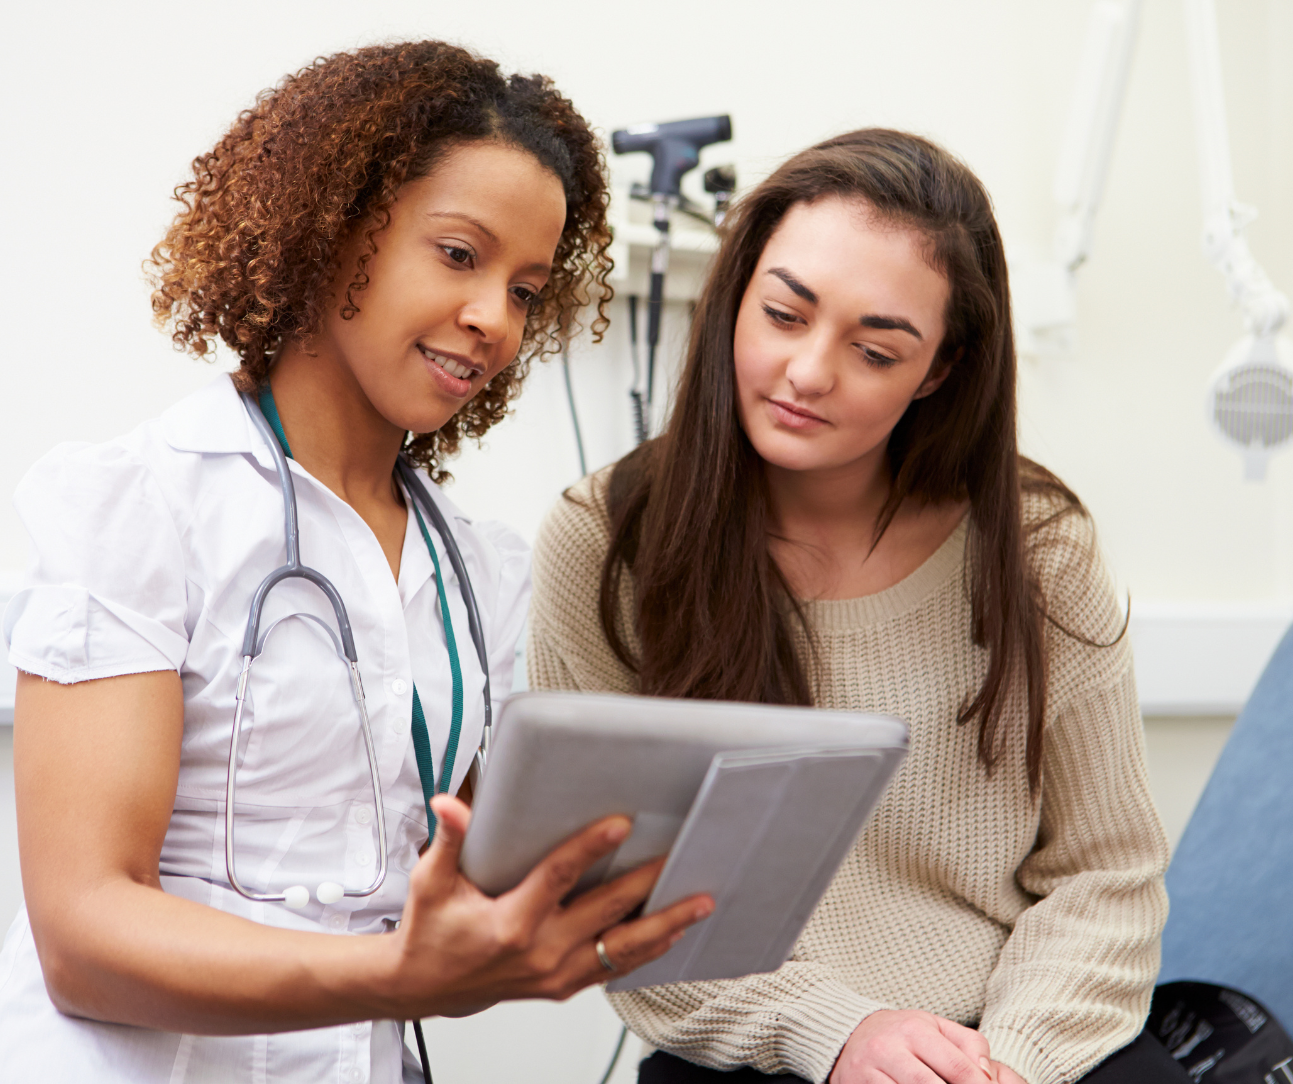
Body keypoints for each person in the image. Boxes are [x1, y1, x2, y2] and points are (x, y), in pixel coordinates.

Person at [0, 42, 710, 1083]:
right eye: (459, 256)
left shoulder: (482, 572)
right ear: (331, 228)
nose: (493, 321)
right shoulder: (137, 504)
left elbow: (469, 873)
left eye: (525, 288)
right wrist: (392, 973)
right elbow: (86, 938)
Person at [527, 129, 1180, 1084]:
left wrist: (1008, 1064)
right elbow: (619, 908)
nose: (807, 372)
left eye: (874, 350)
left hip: (1016, 1047)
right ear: (736, 294)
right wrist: (839, 1033)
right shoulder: (607, 540)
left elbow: (1104, 873)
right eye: (784, 315)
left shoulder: (1036, 548)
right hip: (766, 1046)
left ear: (940, 370)